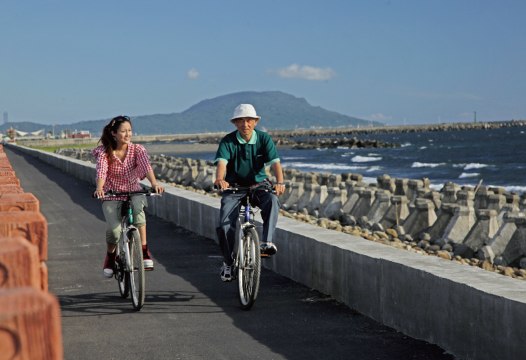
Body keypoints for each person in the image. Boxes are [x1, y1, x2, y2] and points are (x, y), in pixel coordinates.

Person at [214, 104, 285, 282]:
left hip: (258, 185)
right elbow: (221, 163)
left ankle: (266, 242)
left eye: (248, 120)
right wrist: (220, 179)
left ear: (255, 122)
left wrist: (280, 182)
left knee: (272, 200)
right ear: (235, 123)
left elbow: (275, 163)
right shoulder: (227, 141)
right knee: (224, 225)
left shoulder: (263, 138)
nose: (245, 124)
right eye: (240, 120)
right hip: (234, 188)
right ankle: (228, 263)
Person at [93, 115, 164, 278]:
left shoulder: (138, 149)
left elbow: (146, 166)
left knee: (139, 212)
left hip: (134, 191)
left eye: (130, 131)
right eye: (123, 131)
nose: (127, 134)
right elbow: (101, 171)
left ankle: (144, 252)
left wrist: (154, 184)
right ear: (113, 133)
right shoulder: (105, 152)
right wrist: (99, 188)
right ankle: (110, 258)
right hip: (112, 194)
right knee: (114, 231)